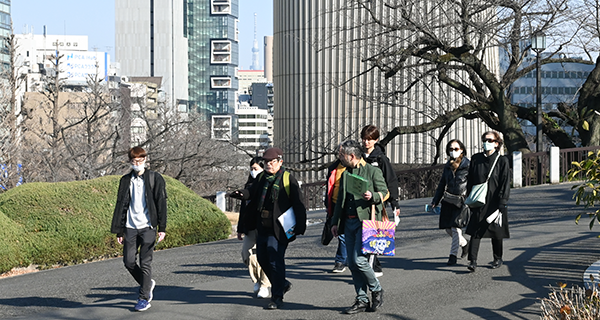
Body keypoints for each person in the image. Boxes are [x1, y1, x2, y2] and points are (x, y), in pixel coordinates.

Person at [230, 147, 307, 310]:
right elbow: (251, 192)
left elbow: (299, 204)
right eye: (266, 162)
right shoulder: (262, 178)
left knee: (275, 258)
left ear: (280, 162)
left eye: (272, 162)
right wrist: (241, 194)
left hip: (280, 228)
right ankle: (282, 283)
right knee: (263, 258)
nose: (268, 164)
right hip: (262, 225)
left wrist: (301, 225)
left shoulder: (288, 179)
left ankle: (277, 296)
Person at [331, 140, 389, 314]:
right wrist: (334, 222)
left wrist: (373, 196)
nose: (340, 158)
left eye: (342, 155)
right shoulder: (345, 173)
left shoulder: (372, 171)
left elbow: (385, 192)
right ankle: (361, 299)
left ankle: (376, 288)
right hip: (347, 222)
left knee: (359, 260)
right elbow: (340, 200)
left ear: (352, 156)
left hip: (365, 222)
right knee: (352, 264)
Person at [110, 146, 167, 312]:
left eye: (141, 161)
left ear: (145, 160)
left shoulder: (154, 178)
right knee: (128, 261)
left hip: (148, 226)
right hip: (130, 227)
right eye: (135, 161)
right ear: (130, 162)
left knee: (145, 261)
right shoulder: (126, 180)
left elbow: (161, 203)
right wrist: (119, 230)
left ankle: (144, 297)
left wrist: (162, 228)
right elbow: (121, 205)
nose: (138, 164)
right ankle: (147, 282)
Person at [465, 131, 510, 272]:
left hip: (495, 201)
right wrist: (469, 197)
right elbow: (470, 179)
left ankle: (498, 258)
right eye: (484, 139)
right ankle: (472, 261)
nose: (486, 142)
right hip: (479, 200)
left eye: (490, 140)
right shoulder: (476, 158)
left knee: (496, 232)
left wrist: (503, 201)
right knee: (475, 231)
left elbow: (505, 182)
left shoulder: (502, 160)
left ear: (497, 143)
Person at [360, 125, 400, 277]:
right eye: (364, 139)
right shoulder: (358, 156)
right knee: (363, 234)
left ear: (376, 140)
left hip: (377, 200)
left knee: (373, 232)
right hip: (360, 200)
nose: (366, 142)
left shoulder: (381, 158)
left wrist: (395, 203)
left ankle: (374, 267)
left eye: (369, 139)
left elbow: (391, 181)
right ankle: (372, 266)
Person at [431, 139, 470, 266]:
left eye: (456, 149)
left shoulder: (468, 165)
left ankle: (452, 255)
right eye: (451, 149)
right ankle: (465, 244)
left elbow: (473, 183)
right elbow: (442, 184)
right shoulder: (448, 166)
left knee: (455, 228)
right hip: (448, 199)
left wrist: (470, 199)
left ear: (462, 150)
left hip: (461, 200)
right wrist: (435, 200)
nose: (453, 152)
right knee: (447, 228)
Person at [237, 157, 271, 298]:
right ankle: (256, 279)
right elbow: (243, 210)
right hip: (250, 226)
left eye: (256, 169)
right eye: (251, 169)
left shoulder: (268, 183)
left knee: (263, 255)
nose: (253, 172)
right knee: (247, 254)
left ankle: (265, 283)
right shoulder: (248, 185)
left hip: (264, 225)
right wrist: (240, 228)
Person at [325, 156, 347, 273]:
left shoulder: (356, 166)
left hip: (349, 204)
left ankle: (341, 260)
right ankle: (342, 260)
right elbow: (330, 185)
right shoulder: (334, 167)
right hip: (334, 203)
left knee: (344, 234)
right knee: (340, 232)